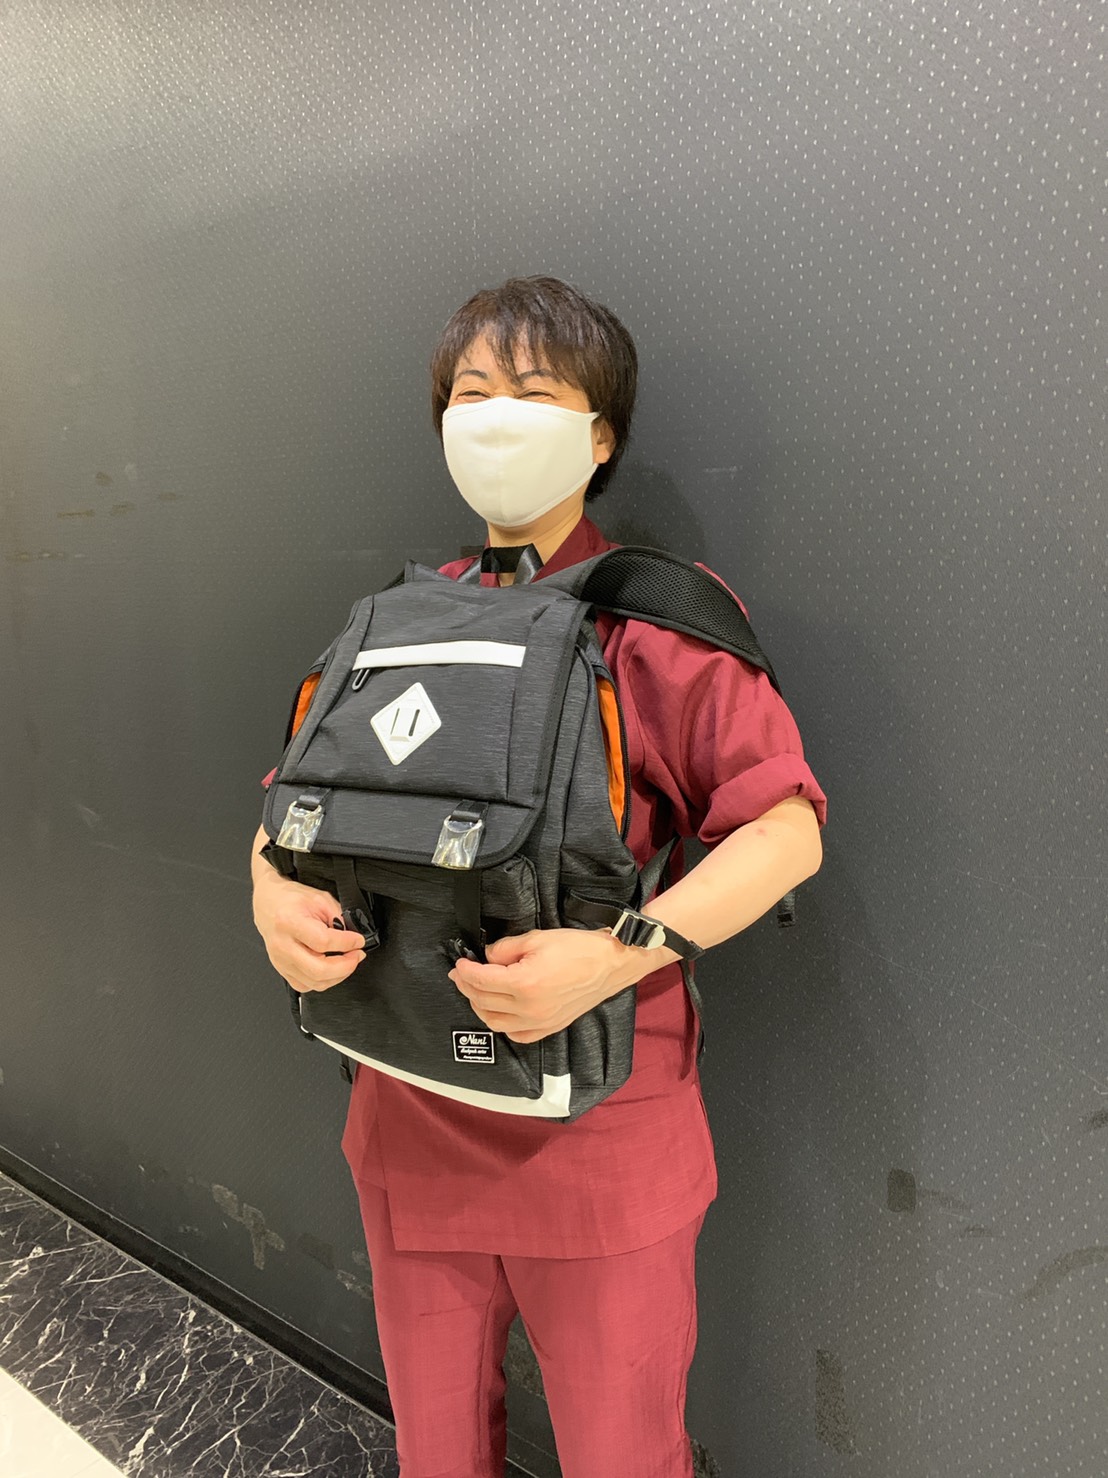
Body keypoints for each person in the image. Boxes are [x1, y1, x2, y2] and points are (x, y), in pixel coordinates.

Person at [251, 276, 827, 1478]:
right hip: (407, 1104)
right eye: (470, 392)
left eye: (533, 389)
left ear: (600, 434)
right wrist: (268, 893)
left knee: (622, 1450)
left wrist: (620, 951)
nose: (495, 416)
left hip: (599, 1125)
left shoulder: (658, 620)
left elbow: (784, 830)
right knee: (436, 1446)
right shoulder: (393, 623)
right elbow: (286, 809)